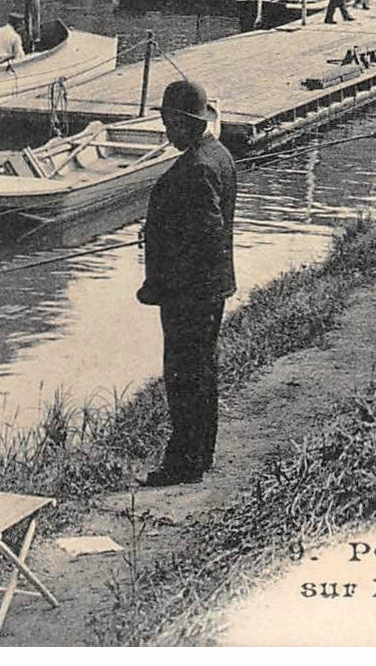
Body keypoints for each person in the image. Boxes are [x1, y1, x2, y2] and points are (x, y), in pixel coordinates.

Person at [136, 80, 236, 487]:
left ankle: (182, 464)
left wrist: (171, 269)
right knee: (202, 372)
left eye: (167, 123)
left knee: (183, 376)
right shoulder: (219, 154)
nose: (165, 132)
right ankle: (200, 454)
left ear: (184, 122)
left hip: (190, 293)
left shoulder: (196, 168)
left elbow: (207, 234)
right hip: (209, 288)